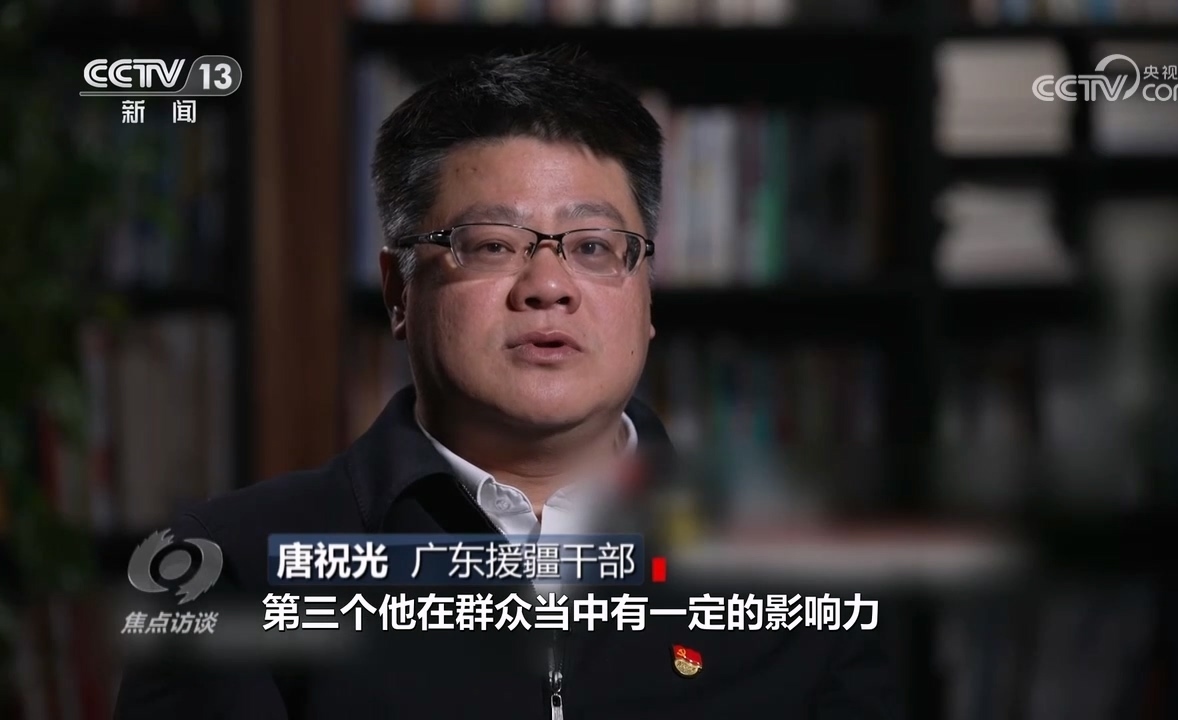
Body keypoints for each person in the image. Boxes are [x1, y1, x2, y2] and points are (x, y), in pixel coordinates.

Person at [114, 48, 899, 719]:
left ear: (646, 292)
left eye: (594, 248)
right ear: (398, 292)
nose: (548, 286)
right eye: (491, 245)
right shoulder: (232, 567)